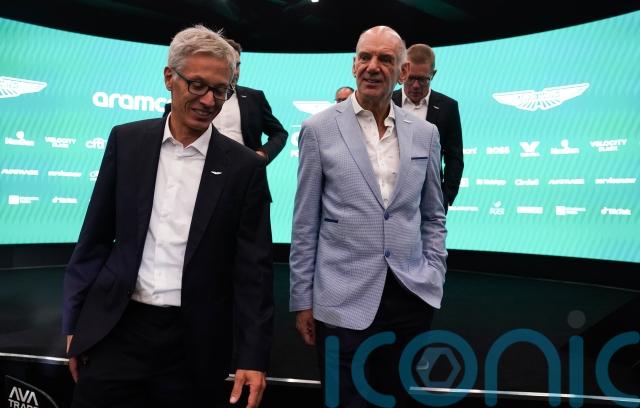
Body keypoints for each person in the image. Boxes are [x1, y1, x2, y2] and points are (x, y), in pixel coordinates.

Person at [63, 25, 274, 408]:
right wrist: (76, 323)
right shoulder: (127, 141)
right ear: (168, 78)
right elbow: (94, 240)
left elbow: (253, 271)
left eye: (220, 90)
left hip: (195, 345)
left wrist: (253, 356)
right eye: (197, 85)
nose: (209, 100)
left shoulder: (245, 168)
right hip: (116, 331)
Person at [290, 26, 447, 407]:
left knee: (398, 397)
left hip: (410, 296)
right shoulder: (317, 129)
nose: (372, 67)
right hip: (341, 298)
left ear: (403, 71)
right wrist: (302, 299)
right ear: (353, 64)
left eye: (385, 59)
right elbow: (305, 222)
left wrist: (434, 272)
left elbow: (433, 215)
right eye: (365, 57)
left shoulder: (425, 133)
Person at [163, 38, 288, 165]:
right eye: (231, 66)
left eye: (237, 65)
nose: (235, 72)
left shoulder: (255, 98)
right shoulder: (183, 105)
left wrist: (262, 155)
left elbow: (279, 133)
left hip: (244, 171)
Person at [392, 43, 464, 209]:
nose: (416, 85)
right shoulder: (386, 102)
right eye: (411, 78)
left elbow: (454, 157)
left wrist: (445, 198)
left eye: (423, 79)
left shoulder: (448, 107)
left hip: (430, 201)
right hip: (389, 198)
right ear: (402, 72)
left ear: (433, 74)